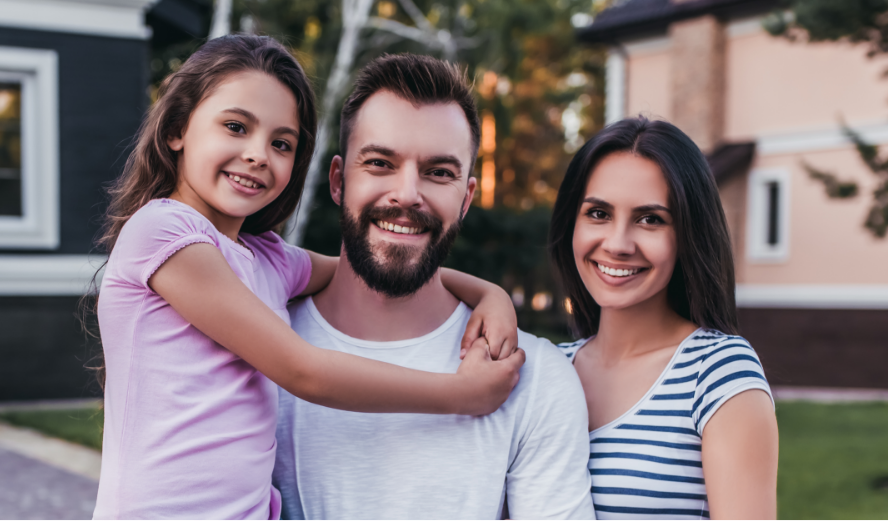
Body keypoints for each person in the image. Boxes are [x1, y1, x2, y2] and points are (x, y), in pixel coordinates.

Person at [91, 35, 527, 520]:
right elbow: (304, 371)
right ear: (177, 128)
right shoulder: (162, 233)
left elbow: (369, 264)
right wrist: (462, 394)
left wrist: (489, 294)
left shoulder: (267, 259)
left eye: (281, 143)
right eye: (236, 127)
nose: (258, 155)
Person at [272, 53, 596, 521]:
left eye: (439, 172)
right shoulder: (259, 350)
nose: (407, 194)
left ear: (466, 199)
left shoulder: (532, 379)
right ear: (339, 181)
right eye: (381, 163)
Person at [548, 116, 779, 521]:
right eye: (598, 213)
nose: (617, 244)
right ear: (572, 223)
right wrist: (488, 296)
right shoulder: (546, 369)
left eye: (650, 219)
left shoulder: (717, 372)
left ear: (688, 233)